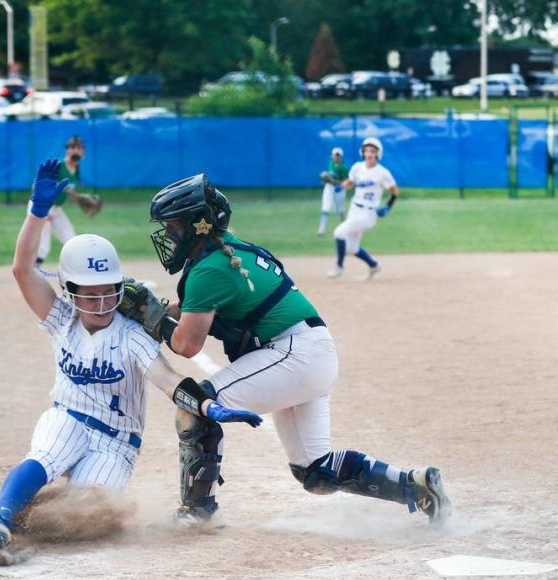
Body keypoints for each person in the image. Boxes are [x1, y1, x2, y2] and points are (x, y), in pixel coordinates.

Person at [0, 160, 262, 564]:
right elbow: (21, 269)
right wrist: (37, 211)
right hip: (68, 416)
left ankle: (20, 517)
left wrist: (207, 405)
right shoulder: (60, 319)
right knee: (47, 456)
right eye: (88, 292)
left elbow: (167, 378)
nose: (100, 301)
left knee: (83, 517)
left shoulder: (131, 334)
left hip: (117, 444)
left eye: (108, 290)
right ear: (68, 290)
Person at [125, 173, 449, 526]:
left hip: (292, 354)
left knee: (197, 406)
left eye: (173, 227)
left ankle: (198, 511)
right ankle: (416, 485)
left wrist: (151, 316)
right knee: (315, 471)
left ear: (196, 226)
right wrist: (153, 311)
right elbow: (192, 315)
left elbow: (187, 344)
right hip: (310, 352)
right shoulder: (229, 253)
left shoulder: (210, 270)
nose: (169, 235)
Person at [328, 136, 398, 280]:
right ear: (363, 152)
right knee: (352, 248)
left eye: (373, 150)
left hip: (368, 214)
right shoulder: (357, 167)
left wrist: (388, 206)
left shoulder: (383, 172)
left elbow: (394, 191)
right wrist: (340, 186)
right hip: (354, 210)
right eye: (366, 150)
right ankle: (374, 266)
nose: (369, 153)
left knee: (339, 233)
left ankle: (339, 267)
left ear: (378, 154)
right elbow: (351, 182)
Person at [36, 135, 85, 266]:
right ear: (67, 150)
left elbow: (69, 189)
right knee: (44, 246)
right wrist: (44, 209)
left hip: (56, 208)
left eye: (79, 148)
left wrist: (81, 199)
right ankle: (33, 269)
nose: (76, 150)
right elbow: (37, 186)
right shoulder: (58, 165)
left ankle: (76, 267)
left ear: (82, 152)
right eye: (73, 147)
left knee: (71, 238)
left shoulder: (77, 169)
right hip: (41, 206)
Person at [317, 147, 348, 236]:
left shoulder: (343, 168)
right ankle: (321, 229)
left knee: (340, 209)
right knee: (325, 208)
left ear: (341, 157)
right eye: (335, 155)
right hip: (329, 188)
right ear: (332, 156)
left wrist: (334, 182)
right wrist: (326, 180)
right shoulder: (331, 164)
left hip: (339, 189)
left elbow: (345, 181)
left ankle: (345, 227)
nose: (336, 157)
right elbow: (329, 176)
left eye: (338, 155)